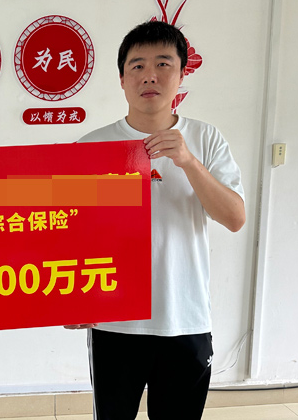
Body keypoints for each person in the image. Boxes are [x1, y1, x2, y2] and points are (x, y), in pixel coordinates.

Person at [66, 21, 245, 419]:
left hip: (185, 319)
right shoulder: (91, 147)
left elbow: (234, 218)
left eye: (163, 64)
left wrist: (188, 161)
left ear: (181, 75)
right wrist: (72, 297)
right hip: (115, 323)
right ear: (122, 79)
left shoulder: (206, 139)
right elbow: (73, 232)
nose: (150, 75)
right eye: (138, 66)